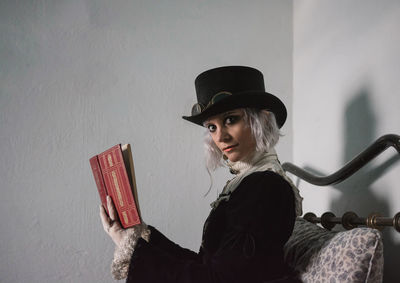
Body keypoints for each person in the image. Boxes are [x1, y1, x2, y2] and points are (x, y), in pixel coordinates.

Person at [99, 66, 303, 282]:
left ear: (260, 120)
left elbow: (218, 279)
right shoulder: (248, 183)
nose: (220, 137)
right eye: (212, 127)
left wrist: (132, 248)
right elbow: (207, 265)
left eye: (230, 120)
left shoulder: (266, 187)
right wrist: (139, 236)